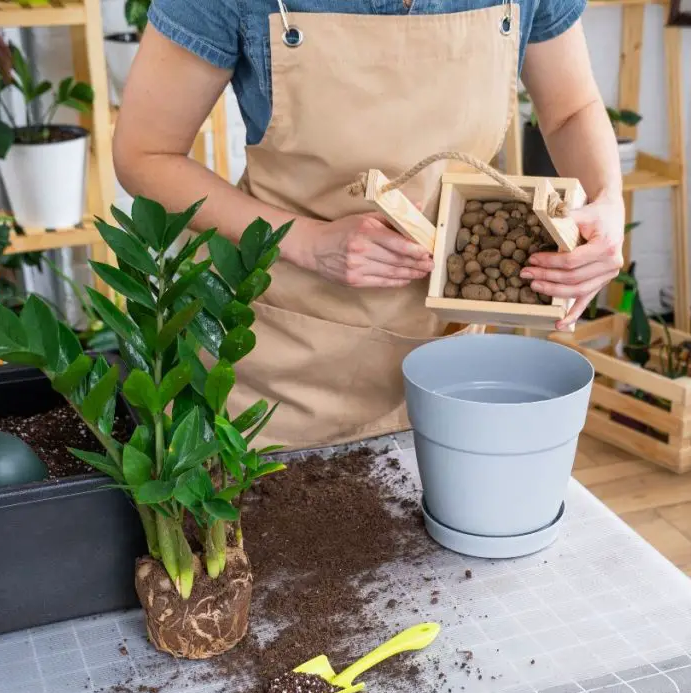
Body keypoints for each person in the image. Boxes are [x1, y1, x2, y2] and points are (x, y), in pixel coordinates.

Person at [113, 0, 626, 451]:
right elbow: (144, 153)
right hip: (277, 366)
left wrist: (608, 203)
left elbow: (570, 111)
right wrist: (306, 242)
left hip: (444, 364)